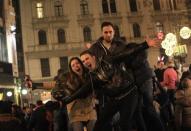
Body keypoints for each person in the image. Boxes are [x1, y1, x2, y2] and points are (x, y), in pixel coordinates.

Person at [88, 21, 164, 131]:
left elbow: (130, 54)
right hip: (109, 88)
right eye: (106, 32)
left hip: (127, 85)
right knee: (106, 120)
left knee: (138, 114)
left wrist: (145, 45)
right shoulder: (95, 48)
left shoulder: (120, 45)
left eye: (110, 32)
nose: (108, 34)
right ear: (102, 32)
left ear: (114, 32)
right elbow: (90, 63)